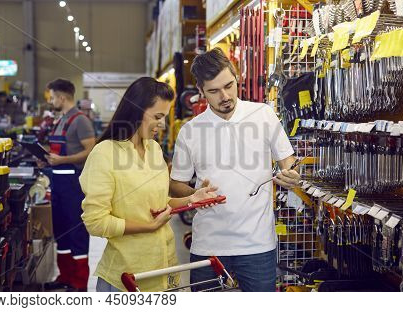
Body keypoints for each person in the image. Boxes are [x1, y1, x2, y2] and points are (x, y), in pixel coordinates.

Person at [169, 48, 301, 292]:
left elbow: (289, 163)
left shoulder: (263, 115)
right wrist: (194, 196)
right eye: (214, 91)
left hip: (257, 245)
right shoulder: (190, 131)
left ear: (236, 76)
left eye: (229, 85)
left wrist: (291, 176)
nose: (225, 96)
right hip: (208, 245)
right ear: (200, 92)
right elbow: (176, 183)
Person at [79, 77, 219, 292]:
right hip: (126, 279)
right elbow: (96, 222)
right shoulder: (104, 154)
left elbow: (161, 201)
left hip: (163, 271)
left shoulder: (153, 149)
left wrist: (193, 199)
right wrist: (148, 226)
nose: (163, 124)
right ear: (136, 111)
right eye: (158, 116)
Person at [43, 78, 96, 291]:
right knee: (62, 233)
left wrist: (62, 160)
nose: (52, 101)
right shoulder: (61, 119)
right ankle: (64, 276)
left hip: (74, 186)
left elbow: (91, 151)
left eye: (53, 97)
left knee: (76, 234)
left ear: (62, 97)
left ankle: (79, 282)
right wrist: (45, 158)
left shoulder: (80, 120)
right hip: (57, 185)